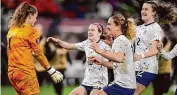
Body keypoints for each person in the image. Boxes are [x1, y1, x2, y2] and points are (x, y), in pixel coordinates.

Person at [6, 2, 63, 95]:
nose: (35, 20)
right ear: (30, 16)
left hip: (12, 72)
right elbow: (39, 53)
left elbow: (9, 51)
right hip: (25, 72)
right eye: (35, 17)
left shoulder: (12, 30)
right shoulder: (31, 31)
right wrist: (51, 71)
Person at [47, 23, 111, 95]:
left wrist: (101, 61)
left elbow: (113, 64)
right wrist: (57, 41)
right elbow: (69, 46)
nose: (90, 32)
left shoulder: (106, 47)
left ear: (100, 33)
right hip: (87, 82)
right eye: (89, 30)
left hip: (100, 84)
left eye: (92, 30)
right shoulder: (87, 43)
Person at [133, 1, 176, 95]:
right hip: (153, 68)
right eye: (142, 9)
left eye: (146, 9)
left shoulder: (159, 32)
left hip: (162, 70)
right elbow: (166, 55)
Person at [89, 13, 136, 95]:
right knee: (95, 93)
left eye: (109, 24)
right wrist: (102, 62)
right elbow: (116, 64)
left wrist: (99, 50)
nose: (107, 27)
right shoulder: (120, 39)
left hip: (122, 85)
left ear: (118, 27)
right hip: (126, 85)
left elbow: (118, 58)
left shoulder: (120, 40)